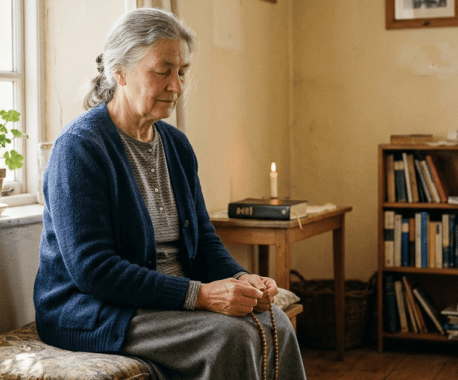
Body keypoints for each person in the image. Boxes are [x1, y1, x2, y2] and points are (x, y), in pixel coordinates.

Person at [33, 8, 306, 380]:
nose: (176, 86)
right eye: (162, 72)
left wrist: (242, 279)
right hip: (99, 309)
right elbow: (94, 271)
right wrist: (203, 296)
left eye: (181, 72)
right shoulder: (80, 148)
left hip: (168, 301)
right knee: (231, 336)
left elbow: (204, 243)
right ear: (120, 72)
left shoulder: (175, 145)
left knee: (276, 321)